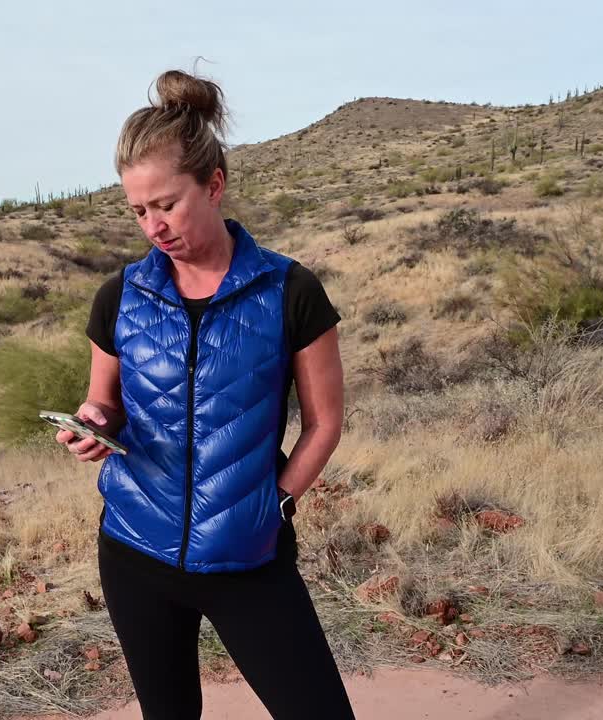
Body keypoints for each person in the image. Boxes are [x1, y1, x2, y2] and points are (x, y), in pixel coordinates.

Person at [54, 68, 356, 719]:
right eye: (138, 210)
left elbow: (325, 423)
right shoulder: (122, 298)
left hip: (248, 555)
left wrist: (273, 503)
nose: (153, 225)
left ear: (214, 185)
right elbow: (101, 402)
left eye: (166, 204)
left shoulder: (289, 292)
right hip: (135, 551)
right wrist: (90, 424)